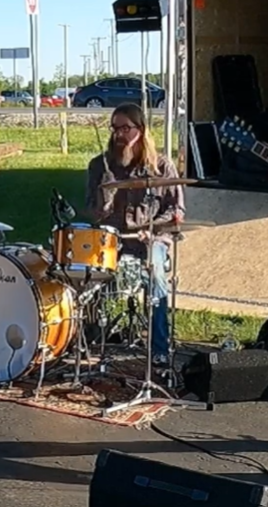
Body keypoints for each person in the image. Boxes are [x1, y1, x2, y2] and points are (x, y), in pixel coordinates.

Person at [85, 103, 185, 365]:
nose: (119, 134)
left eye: (125, 128)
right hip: (112, 239)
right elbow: (93, 213)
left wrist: (152, 229)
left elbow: (176, 210)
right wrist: (106, 198)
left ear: (141, 129)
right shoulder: (99, 165)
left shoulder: (162, 166)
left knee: (156, 276)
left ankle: (159, 348)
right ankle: (89, 338)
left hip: (151, 240)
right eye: (115, 128)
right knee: (84, 272)